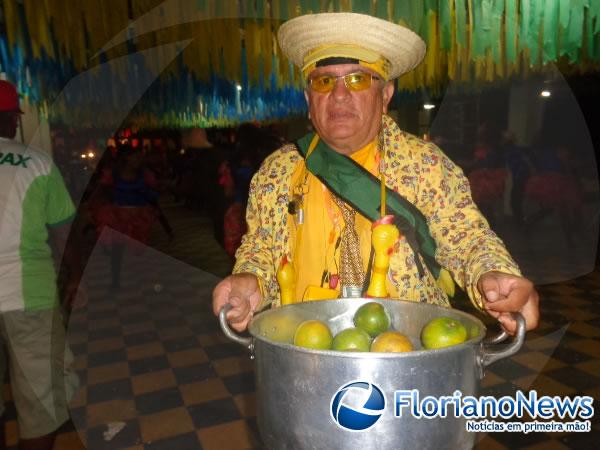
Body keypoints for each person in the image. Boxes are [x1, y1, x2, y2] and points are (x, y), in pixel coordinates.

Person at [213, 13, 539, 337]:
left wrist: (494, 274)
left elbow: (466, 240)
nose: (339, 95)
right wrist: (248, 281)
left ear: (385, 96)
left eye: (358, 79)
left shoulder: (425, 166)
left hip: (405, 351)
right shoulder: (278, 171)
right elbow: (262, 249)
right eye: (324, 81)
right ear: (308, 98)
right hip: (301, 349)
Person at [0, 80, 82, 449]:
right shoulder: (36, 163)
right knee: (40, 404)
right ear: (12, 121)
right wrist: (74, 282)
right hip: (27, 295)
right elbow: (64, 236)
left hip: (26, 295)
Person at [89, 144, 159, 288]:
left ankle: (137, 279)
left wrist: (149, 197)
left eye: (140, 156)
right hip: (117, 216)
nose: (139, 159)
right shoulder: (113, 173)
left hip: (139, 215)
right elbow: (100, 191)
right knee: (117, 250)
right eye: (136, 156)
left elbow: (153, 193)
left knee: (138, 250)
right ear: (126, 158)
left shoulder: (144, 174)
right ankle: (116, 280)